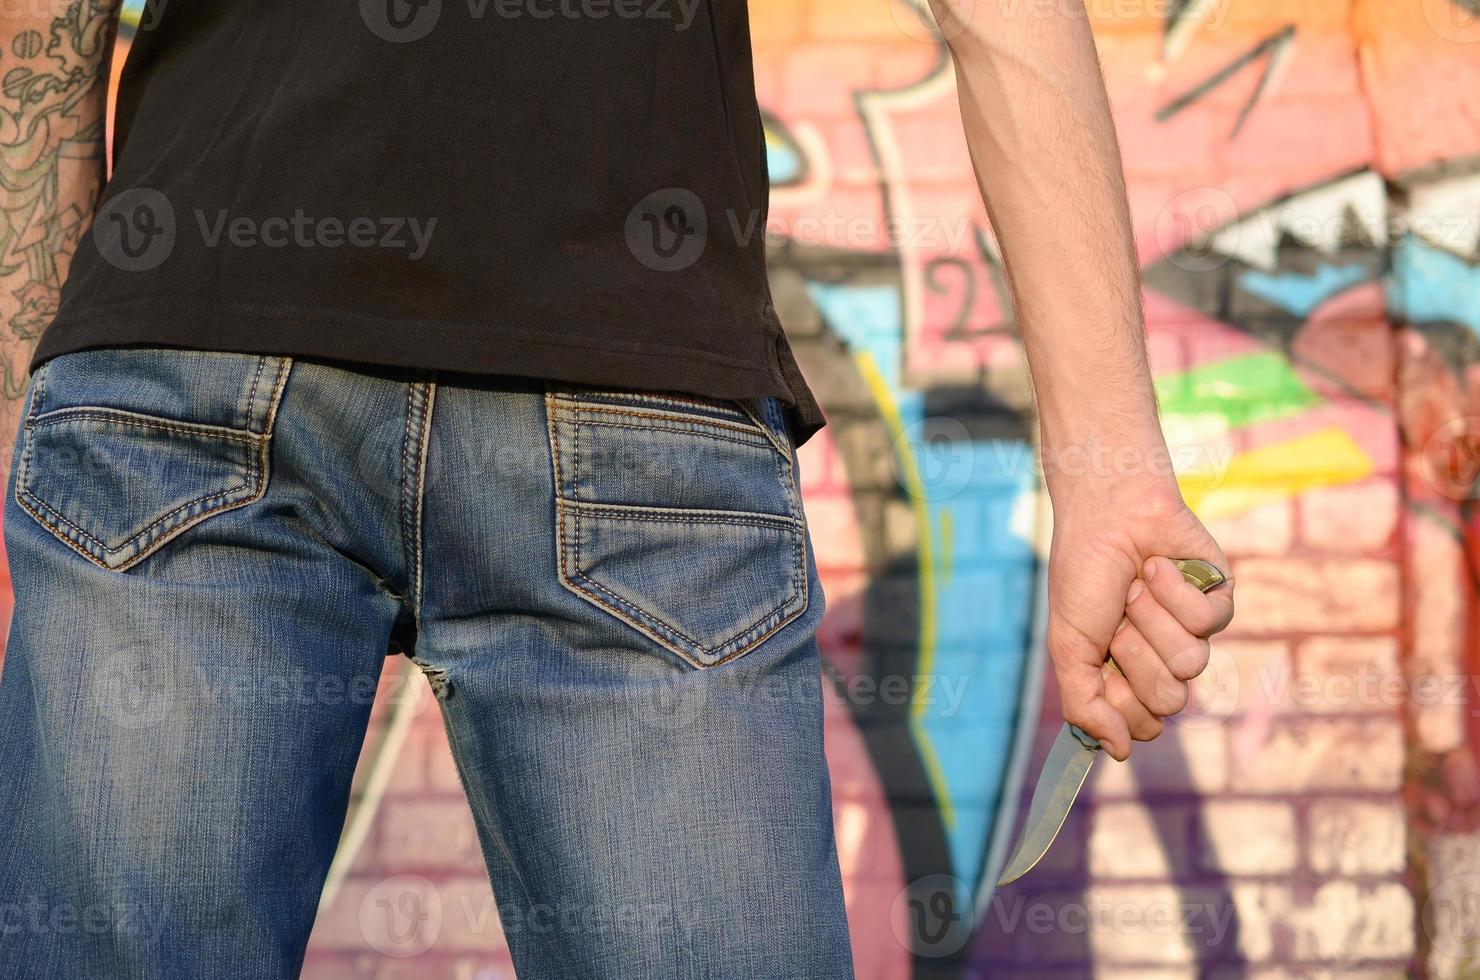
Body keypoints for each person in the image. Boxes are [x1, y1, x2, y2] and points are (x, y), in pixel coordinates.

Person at [0, 1, 1235, 977]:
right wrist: (1112, 470)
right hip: (619, 400)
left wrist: (42, 453)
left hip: (200, 373)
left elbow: (41, 32)